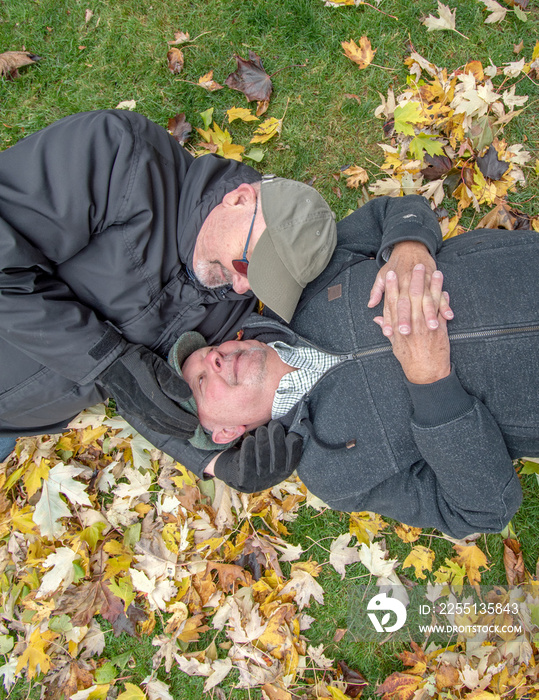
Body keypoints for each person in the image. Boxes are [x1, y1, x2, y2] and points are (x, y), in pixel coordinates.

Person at [0, 110, 450, 487]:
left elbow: (157, 396)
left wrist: (217, 462)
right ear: (239, 199)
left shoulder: (228, 305)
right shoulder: (120, 155)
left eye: (258, 287)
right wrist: (105, 359)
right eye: (245, 266)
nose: (238, 289)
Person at [168, 200, 539, 539]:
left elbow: (392, 211)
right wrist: (432, 383)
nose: (214, 357)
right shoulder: (334, 475)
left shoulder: (302, 289)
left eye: (210, 349)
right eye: (201, 381)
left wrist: (410, 246)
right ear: (225, 433)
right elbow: (483, 511)